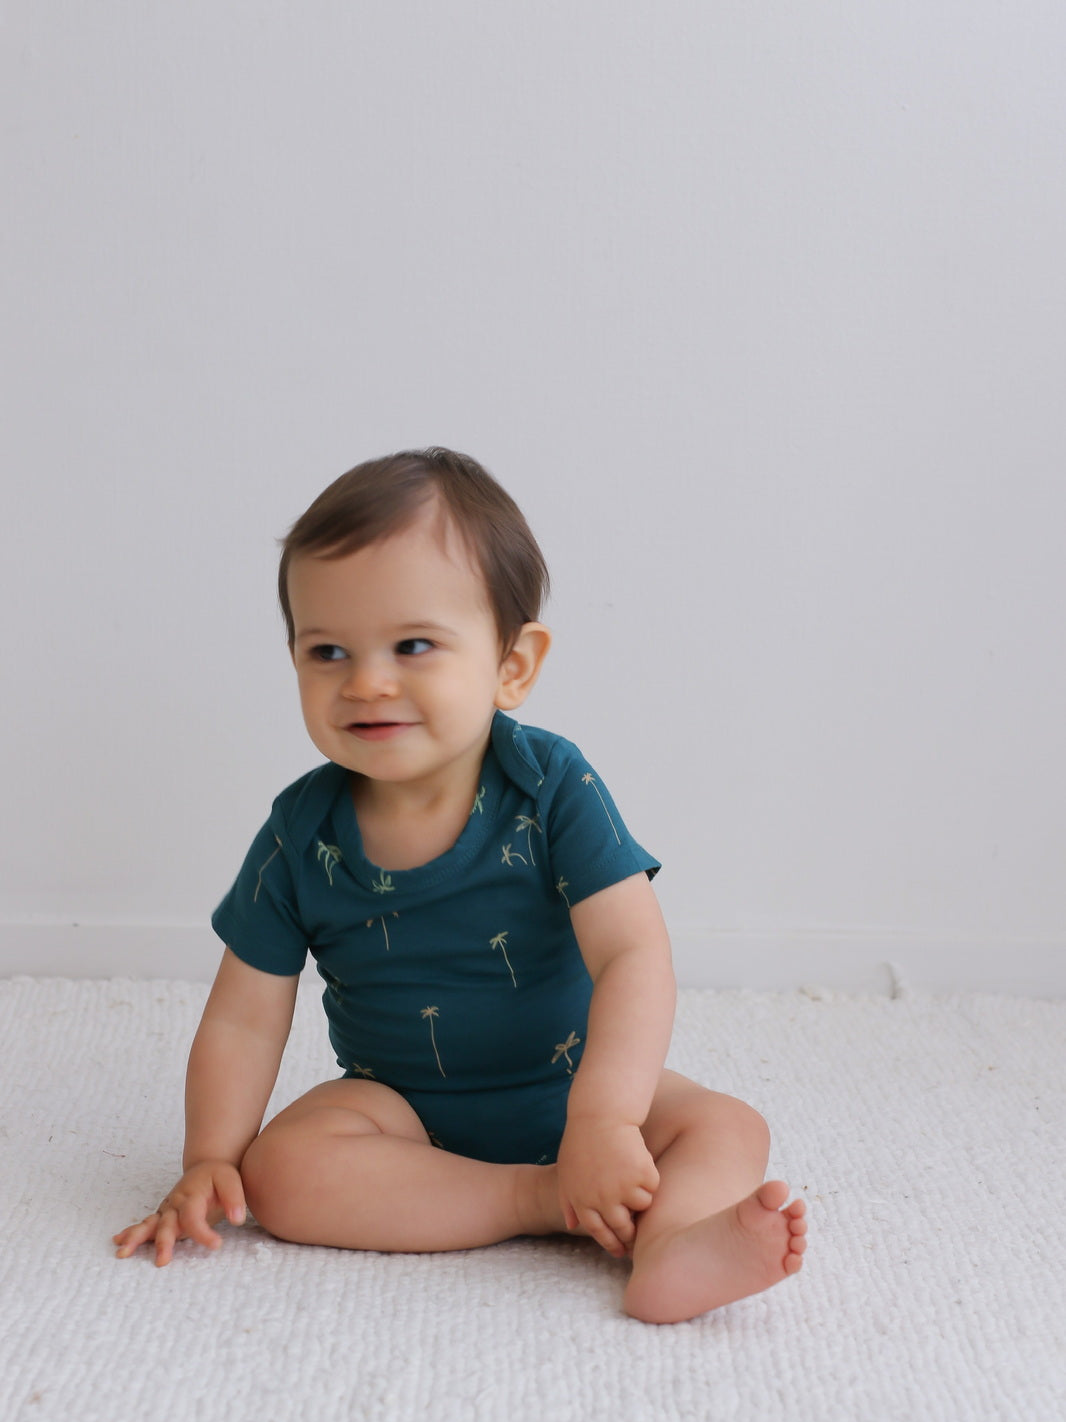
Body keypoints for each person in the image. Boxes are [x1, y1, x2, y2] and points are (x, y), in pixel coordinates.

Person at [114, 448, 806, 1323]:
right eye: (327, 650)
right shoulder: (301, 830)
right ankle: (535, 1199)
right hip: (402, 1110)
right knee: (281, 1172)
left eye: (413, 645)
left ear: (512, 665)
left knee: (725, 1126)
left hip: (576, 1083)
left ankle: (673, 1248)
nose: (366, 680)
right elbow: (245, 1013)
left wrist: (603, 1120)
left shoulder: (549, 784)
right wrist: (209, 1153)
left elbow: (634, 954)